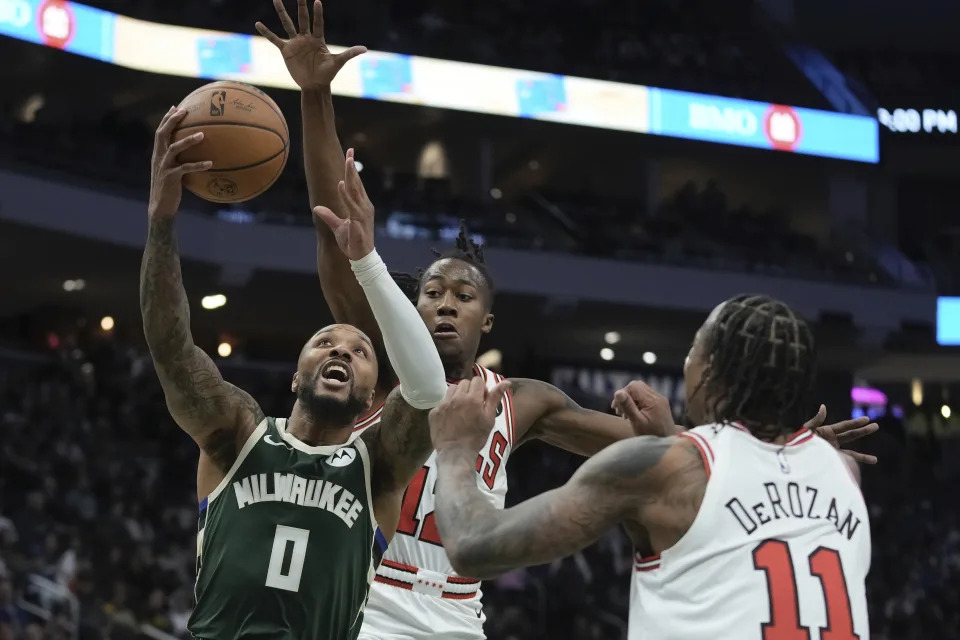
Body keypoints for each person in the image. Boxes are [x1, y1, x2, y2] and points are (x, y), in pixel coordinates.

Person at [256, 2, 878, 637]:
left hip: (452, 612)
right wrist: (315, 97)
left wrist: (778, 450)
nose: (444, 303)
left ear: (487, 323)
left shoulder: (522, 402)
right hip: (363, 594)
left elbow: (680, 455)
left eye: (463, 296)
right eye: (433, 292)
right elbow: (337, 224)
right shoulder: (378, 367)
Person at [141, 105, 447, 639]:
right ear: (294, 374)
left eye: (360, 351)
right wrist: (162, 222)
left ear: (373, 390)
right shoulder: (237, 432)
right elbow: (170, 346)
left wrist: (368, 261)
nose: (342, 350)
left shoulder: (378, 465)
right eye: (324, 341)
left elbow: (427, 390)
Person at [430, 295, 872, 638]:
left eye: (692, 348)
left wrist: (455, 448)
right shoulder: (843, 470)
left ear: (709, 370)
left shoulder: (661, 467)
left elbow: (473, 547)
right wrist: (675, 440)